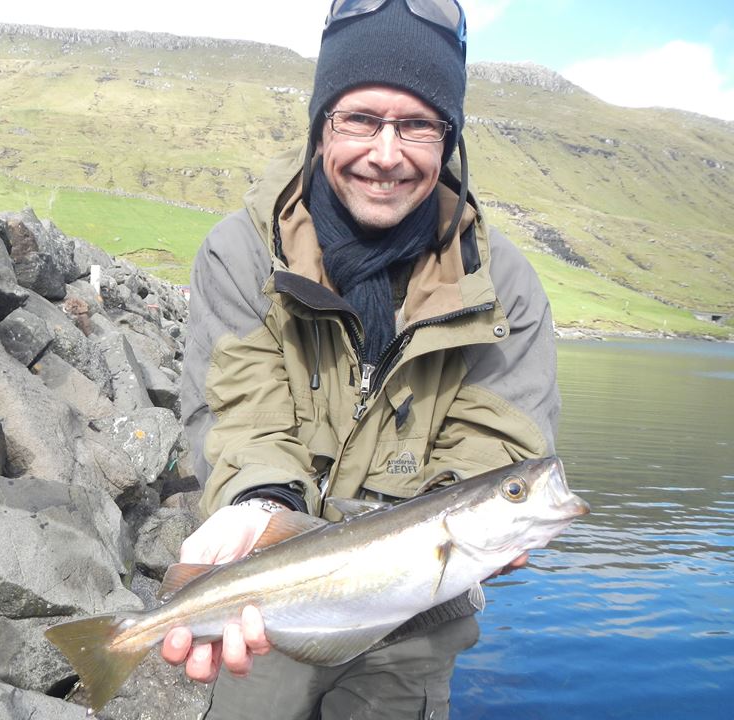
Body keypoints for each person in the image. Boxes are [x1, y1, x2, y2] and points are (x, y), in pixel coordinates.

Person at [163, 0, 560, 717]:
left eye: (418, 125)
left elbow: (497, 448)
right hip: (271, 608)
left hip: (418, 623)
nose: (386, 153)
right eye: (360, 119)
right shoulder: (241, 252)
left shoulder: (505, 286)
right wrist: (261, 506)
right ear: (321, 125)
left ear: (449, 138)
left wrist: (490, 522)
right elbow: (239, 412)